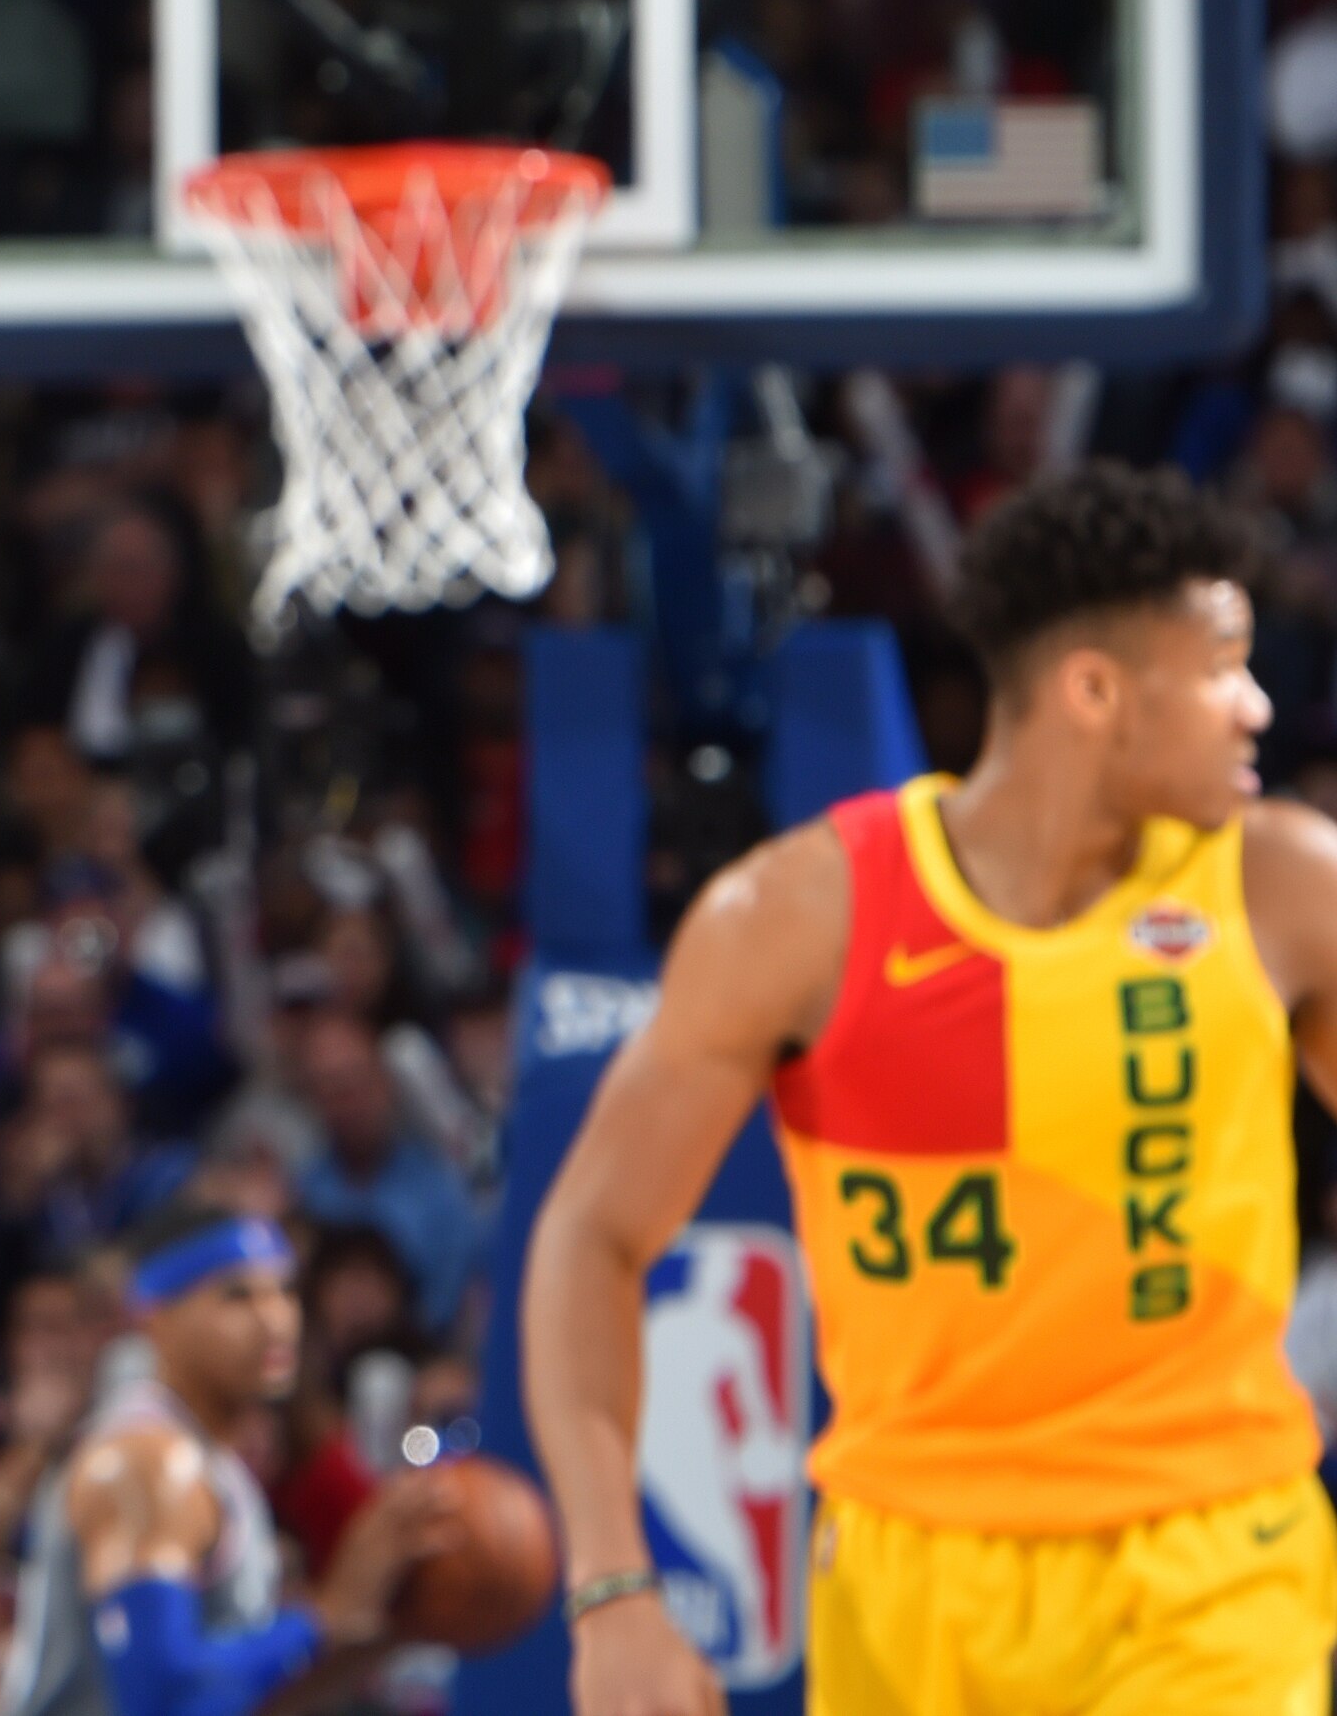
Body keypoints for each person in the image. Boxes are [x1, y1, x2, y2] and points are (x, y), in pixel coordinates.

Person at [529, 463, 1337, 1714]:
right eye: (1221, 669)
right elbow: (590, 1234)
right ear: (1093, 692)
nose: (1255, 706)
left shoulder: (1280, 886)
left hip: (1206, 1559)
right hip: (902, 1578)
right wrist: (609, 1589)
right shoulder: (795, 918)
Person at [0, 1200, 454, 1716]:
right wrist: (322, 1618)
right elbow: (160, 1698)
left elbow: (238, 1699)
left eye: (284, 1292)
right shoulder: (147, 1457)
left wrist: (387, 1628)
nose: (274, 1319)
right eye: (237, 1296)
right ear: (155, 1317)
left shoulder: (213, 1462)